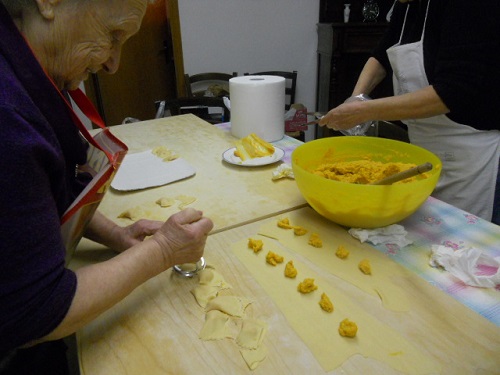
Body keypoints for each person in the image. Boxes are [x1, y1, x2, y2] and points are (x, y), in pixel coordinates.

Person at [0, 0, 213, 373]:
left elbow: (38, 192)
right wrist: (162, 251)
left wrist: (116, 234)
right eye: (113, 35)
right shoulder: (7, 116)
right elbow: (38, 310)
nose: (113, 64)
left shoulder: (30, 71)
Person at [319, 0, 500, 225]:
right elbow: (382, 54)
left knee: (460, 246)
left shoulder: (470, 6)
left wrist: (365, 111)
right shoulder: (407, 5)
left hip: (470, 157)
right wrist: (356, 98)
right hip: (423, 150)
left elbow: (452, 92)